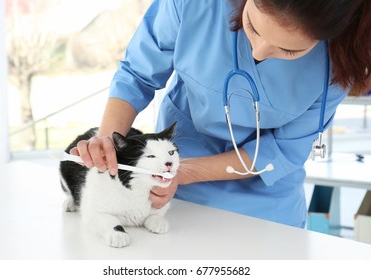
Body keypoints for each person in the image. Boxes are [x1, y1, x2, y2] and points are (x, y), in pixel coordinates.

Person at [71, 0, 370, 228]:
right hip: (169, 196)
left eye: (288, 51)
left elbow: (280, 151)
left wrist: (181, 173)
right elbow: (138, 73)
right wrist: (108, 139)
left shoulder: (339, 64)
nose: (259, 51)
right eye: (252, 27)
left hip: (266, 211)